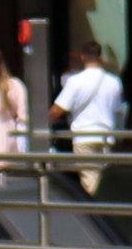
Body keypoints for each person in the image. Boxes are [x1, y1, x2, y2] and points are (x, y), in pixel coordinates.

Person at [51, 40, 125, 194]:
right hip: (107, 136)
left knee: (90, 180)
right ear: (100, 58)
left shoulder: (75, 81)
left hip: (84, 136)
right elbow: (119, 111)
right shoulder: (114, 81)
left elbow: (59, 109)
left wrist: (41, 122)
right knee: (104, 180)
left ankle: (93, 214)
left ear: (83, 57)